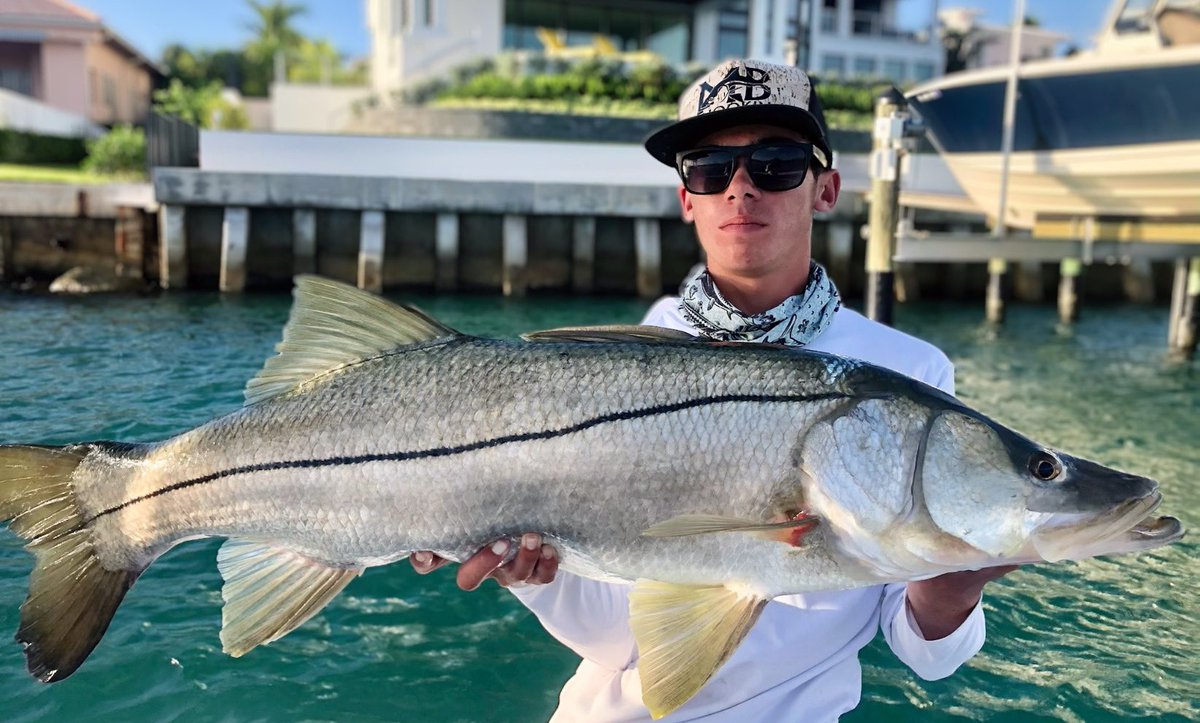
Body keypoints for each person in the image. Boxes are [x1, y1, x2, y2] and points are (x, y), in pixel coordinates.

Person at [410, 59, 1016, 721]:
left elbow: (926, 651)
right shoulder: (618, 367)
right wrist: (536, 581)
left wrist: (953, 587)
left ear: (826, 188)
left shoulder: (909, 373)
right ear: (686, 198)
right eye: (709, 168)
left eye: (776, 163)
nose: (740, 189)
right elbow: (619, 639)